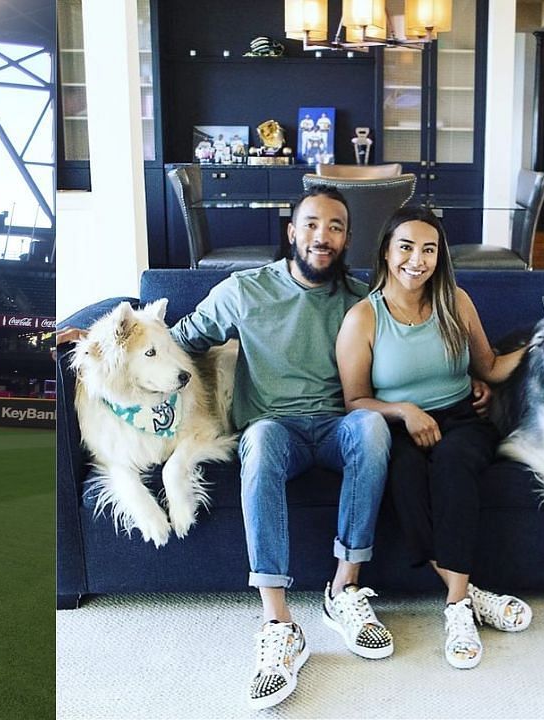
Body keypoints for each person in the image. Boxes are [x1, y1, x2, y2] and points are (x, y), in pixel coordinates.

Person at [169, 185, 394, 709]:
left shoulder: (363, 302)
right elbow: (180, 338)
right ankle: (278, 622)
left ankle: (344, 591)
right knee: (262, 438)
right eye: (312, 224)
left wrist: (474, 378)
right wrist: (105, 335)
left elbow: (412, 356)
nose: (323, 236)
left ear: (347, 239)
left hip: (339, 427)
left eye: (336, 227)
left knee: (373, 428)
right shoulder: (244, 290)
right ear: (291, 232)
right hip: (277, 429)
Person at [335, 206, 533, 670]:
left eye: (429, 249)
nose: (417, 260)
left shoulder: (456, 301)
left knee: (453, 465)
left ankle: (456, 607)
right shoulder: (363, 318)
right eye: (406, 247)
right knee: (403, 479)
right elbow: (355, 401)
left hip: (463, 419)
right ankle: (471, 596)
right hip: (396, 425)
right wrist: (404, 410)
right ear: (386, 251)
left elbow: (489, 368)